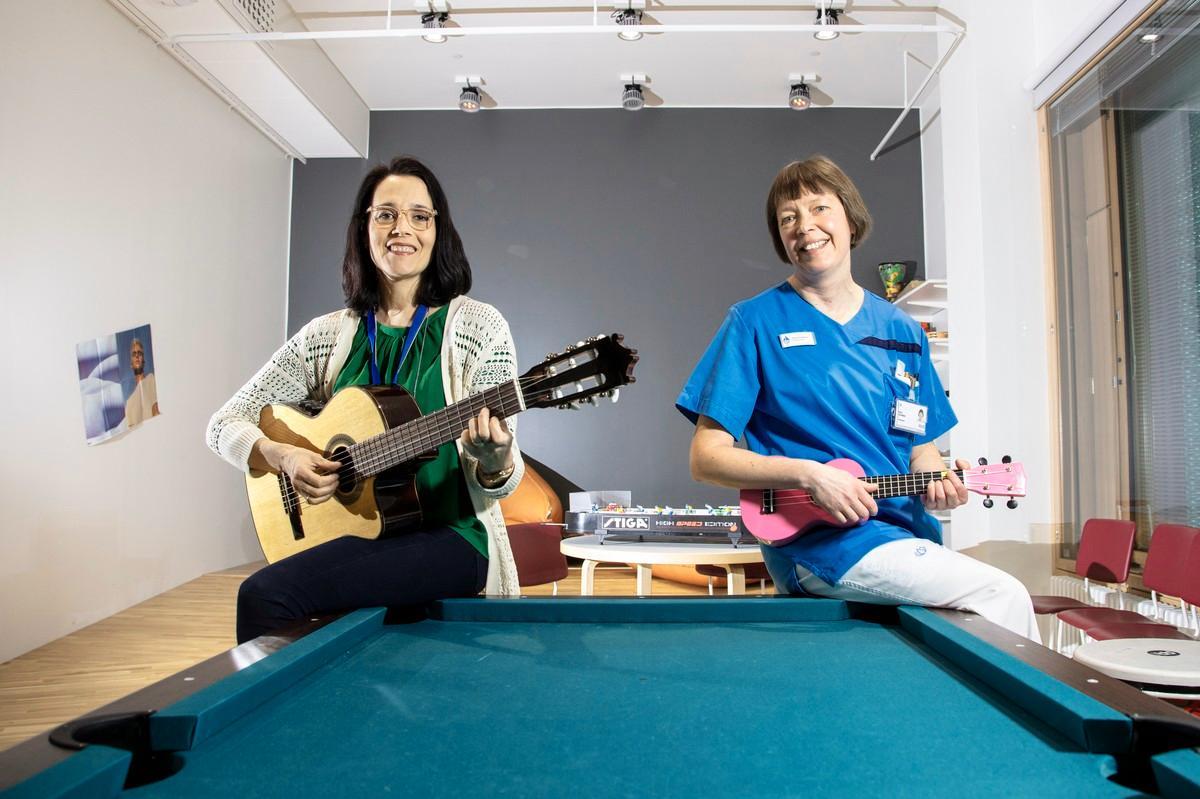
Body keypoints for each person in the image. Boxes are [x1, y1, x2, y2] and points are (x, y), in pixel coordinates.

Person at [676, 155, 1040, 642]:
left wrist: (940, 484)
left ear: (850, 218)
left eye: (819, 208)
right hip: (818, 545)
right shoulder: (753, 322)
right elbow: (706, 458)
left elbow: (921, 450)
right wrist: (808, 474)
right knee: (1002, 593)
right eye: (788, 218)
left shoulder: (903, 331)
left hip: (902, 536)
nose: (804, 226)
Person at [207, 156, 524, 643]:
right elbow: (223, 423)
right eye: (386, 214)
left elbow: (500, 480)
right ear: (364, 228)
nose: (403, 229)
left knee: (265, 595)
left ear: (438, 231)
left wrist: (496, 459)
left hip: (450, 537)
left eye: (420, 216)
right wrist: (284, 455)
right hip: (360, 535)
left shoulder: (478, 329)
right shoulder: (327, 337)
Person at [124, 337, 159, 426]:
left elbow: (156, 410)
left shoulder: (151, 379)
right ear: (131, 364)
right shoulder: (129, 403)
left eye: (139, 353)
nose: (137, 356)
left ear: (143, 360)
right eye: (134, 354)